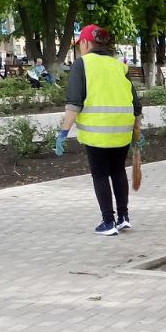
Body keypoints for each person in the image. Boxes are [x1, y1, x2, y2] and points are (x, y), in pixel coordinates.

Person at [55, 24, 141, 235]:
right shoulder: (119, 65)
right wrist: (138, 132)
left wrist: (63, 133)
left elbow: (74, 103)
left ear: (85, 42)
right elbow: (136, 104)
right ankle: (123, 217)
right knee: (118, 171)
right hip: (122, 129)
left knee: (100, 175)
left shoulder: (81, 64)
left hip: (96, 133)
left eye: (80, 45)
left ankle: (108, 222)